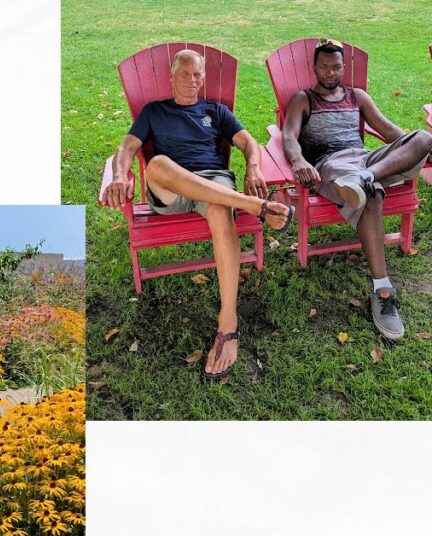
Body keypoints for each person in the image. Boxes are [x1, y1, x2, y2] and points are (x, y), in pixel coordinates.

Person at [104, 49, 293, 380]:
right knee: (158, 164)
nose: (193, 81)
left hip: (214, 182)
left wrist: (252, 167)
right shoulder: (154, 111)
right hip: (171, 188)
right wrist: (120, 174)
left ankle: (228, 325)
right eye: (186, 74)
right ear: (172, 76)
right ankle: (252, 206)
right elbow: (127, 148)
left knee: (220, 210)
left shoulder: (215, 110)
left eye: (199, 75)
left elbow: (249, 142)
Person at [281, 38, 432, 341]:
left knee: (424, 138)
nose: (330, 72)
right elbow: (288, 136)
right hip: (331, 165)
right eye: (324, 66)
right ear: (315, 67)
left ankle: (365, 178)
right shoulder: (303, 98)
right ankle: (383, 290)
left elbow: (390, 132)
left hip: (365, 161)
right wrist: (299, 161)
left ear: (344, 67)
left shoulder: (357, 96)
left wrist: (417, 147)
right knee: (372, 196)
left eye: (336, 66)